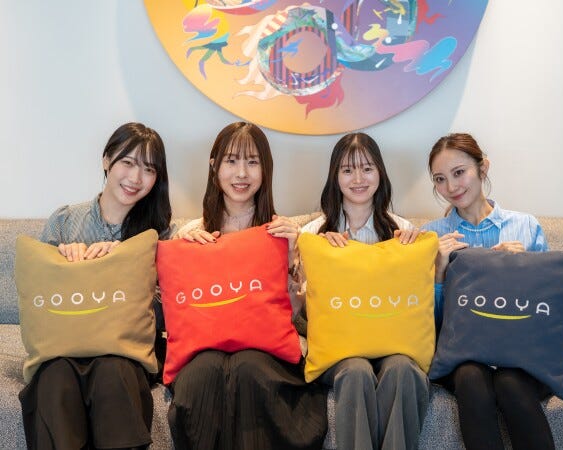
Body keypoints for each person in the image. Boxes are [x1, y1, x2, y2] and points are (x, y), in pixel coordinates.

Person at [168, 122, 328, 450]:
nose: (241, 173)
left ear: (265, 170)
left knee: (247, 367)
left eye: (252, 162)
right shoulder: (192, 233)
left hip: (265, 351)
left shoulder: (282, 232)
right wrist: (185, 251)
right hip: (204, 349)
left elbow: (297, 317)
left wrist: (294, 257)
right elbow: (179, 311)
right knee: (203, 374)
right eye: (231, 161)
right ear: (214, 166)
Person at [19, 122, 172, 449]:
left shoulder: (159, 234)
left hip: (124, 352)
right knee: (55, 376)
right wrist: (64, 262)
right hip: (62, 348)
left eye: (148, 169)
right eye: (127, 162)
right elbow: (39, 299)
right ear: (106, 160)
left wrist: (123, 265)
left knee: (112, 371)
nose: (135, 178)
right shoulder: (64, 221)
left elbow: (165, 312)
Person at [421, 132, 554, 450]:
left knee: (510, 381)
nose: (451, 187)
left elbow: (549, 307)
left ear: (483, 168)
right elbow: (430, 323)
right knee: (470, 376)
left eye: (459, 172)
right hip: (461, 353)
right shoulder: (430, 237)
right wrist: (439, 272)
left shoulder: (525, 226)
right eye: (440, 179)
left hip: (522, 350)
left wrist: (522, 269)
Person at [301, 132, 428, 450]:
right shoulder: (313, 235)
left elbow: (417, 295)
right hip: (340, 349)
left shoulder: (403, 231)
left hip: (395, 343)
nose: (358, 179)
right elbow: (303, 304)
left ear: (380, 173)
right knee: (356, 371)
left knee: (403, 369)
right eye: (347, 170)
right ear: (335, 177)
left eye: (367, 168)